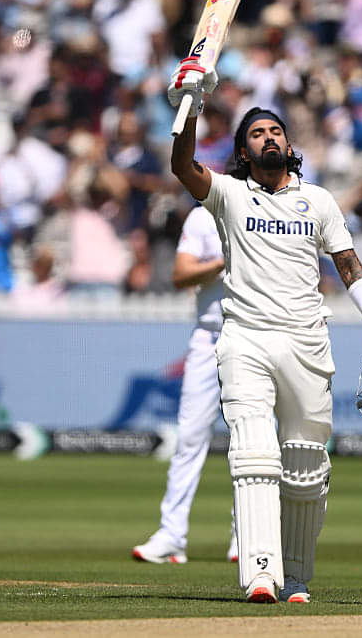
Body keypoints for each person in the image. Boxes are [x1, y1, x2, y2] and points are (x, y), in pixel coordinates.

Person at [167, 57, 362, 604]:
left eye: (275, 130)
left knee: (306, 466)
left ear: (288, 142)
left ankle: (297, 577)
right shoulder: (230, 196)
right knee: (254, 452)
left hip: (306, 341)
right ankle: (261, 571)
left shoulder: (319, 201)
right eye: (257, 134)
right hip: (246, 337)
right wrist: (191, 104)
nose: (269, 138)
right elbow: (182, 166)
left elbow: (348, 262)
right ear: (243, 152)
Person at [132, 205, 237, 565]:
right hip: (208, 336)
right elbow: (181, 275)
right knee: (190, 436)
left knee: (253, 440)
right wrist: (223, 261)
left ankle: (249, 535)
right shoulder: (203, 216)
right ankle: (172, 535)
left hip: (253, 337)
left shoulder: (267, 211)